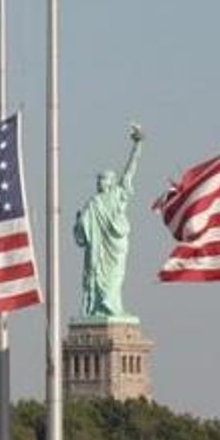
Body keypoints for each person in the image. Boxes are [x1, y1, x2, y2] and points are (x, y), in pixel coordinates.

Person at [73, 124, 143, 318]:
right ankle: (99, 306)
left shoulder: (118, 195)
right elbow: (82, 234)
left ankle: (112, 305)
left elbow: (130, 171)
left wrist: (137, 146)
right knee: (97, 278)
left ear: (111, 182)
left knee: (116, 277)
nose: (100, 183)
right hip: (98, 250)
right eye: (98, 180)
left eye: (103, 180)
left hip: (116, 247)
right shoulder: (93, 203)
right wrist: (79, 222)